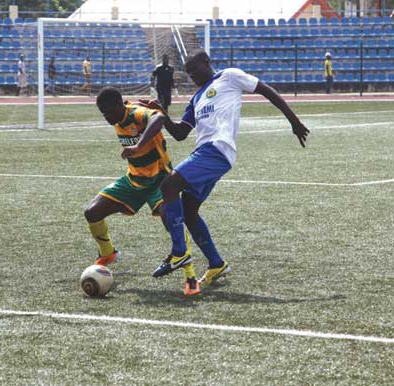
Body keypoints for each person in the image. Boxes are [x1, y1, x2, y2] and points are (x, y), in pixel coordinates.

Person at [122, 49, 309, 287]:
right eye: (188, 73)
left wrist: (294, 121)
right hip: (206, 153)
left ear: (207, 62)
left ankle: (179, 252)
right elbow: (180, 133)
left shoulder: (229, 76)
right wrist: (161, 112)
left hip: (217, 149)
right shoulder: (197, 98)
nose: (192, 76)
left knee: (168, 185)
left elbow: (266, 90)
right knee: (189, 212)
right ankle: (216, 264)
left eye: (194, 70)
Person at [84, 86, 200, 296]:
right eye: (103, 114)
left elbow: (158, 119)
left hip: (160, 180)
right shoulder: (119, 116)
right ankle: (108, 253)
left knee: (171, 219)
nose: (107, 118)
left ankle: (190, 275)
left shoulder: (135, 112)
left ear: (119, 105)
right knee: (92, 212)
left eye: (109, 112)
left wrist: (138, 146)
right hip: (134, 180)